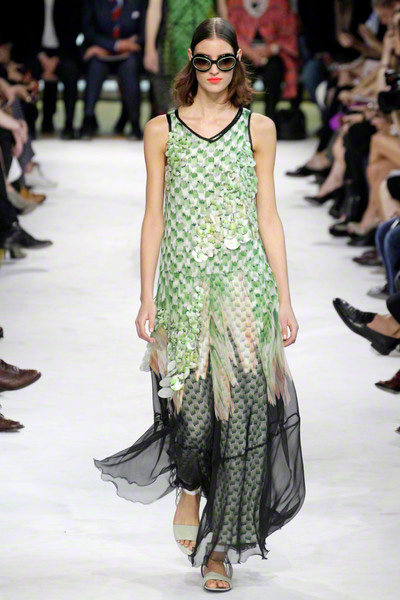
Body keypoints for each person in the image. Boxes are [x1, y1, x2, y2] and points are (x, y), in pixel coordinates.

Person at [94, 17, 305, 592]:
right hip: (184, 288)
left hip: (244, 287)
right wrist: (145, 295)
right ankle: (189, 485)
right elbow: (154, 217)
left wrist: (285, 298)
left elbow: (268, 215)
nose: (215, 71)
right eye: (205, 61)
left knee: (243, 417)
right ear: (191, 60)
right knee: (189, 423)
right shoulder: (161, 130)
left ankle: (221, 549)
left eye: (225, 61)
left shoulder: (258, 128)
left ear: (238, 63)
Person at [79, 0, 146, 140]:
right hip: (100, 52)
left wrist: (126, 46)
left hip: (128, 54)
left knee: (130, 67)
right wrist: (115, 45)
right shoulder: (93, 3)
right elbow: (89, 32)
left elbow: (143, 33)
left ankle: (134, 123)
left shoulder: (138, 2)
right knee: (95, 66)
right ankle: (88, 119)